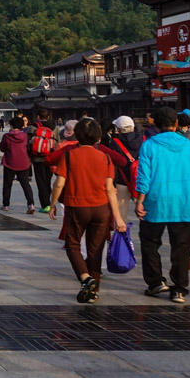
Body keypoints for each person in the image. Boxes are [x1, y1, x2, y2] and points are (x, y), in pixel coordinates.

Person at [135, 107, 190, 304]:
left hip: (156, 201)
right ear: (176, 123)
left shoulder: (149, 145)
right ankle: (179, 289)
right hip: (184, 202)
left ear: (155, 124)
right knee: (182, 247)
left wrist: (140, 201)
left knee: (150, 243)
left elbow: (144, 176)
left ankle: (155, 282)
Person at [48, 119, 127, 303]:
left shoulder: (69, 156)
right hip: (101, 208)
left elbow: (59, 183)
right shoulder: (105, 157)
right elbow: (110, 189)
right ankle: (93, 291)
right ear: (98, 137)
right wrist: (118, 218)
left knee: (72, 245)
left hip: (77, 206)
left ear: (77, 135)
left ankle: (85, 278)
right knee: (96, 249)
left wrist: (52, 204)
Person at [0, 116, 35, 212]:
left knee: (7, 185)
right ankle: (31, 204)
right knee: (26, 185)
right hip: (24, 162)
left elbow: (2, 148)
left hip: (9, 162)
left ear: (11, 125)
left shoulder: (6, 136)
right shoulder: (25, 136)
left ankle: (6, 205)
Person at [25, 108, 58, 214]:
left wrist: (29, 158)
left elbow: (28, 143)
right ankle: (50, 203)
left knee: (41, 181)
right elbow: (57, 143)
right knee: (48, 181)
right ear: (48, 117)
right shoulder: (55, 127)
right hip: (51, 157)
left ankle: (45, 205)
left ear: (38, 117)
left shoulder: (32, 127)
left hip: (37, 158)